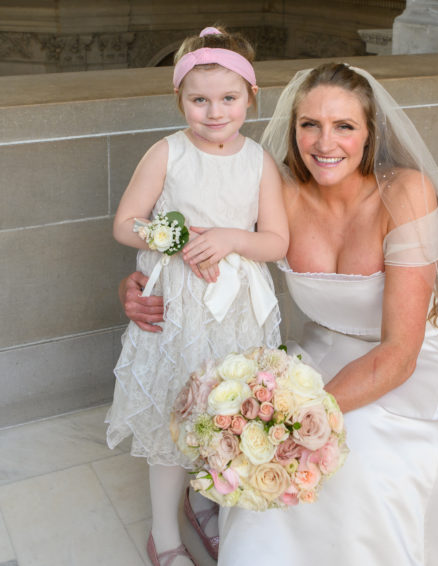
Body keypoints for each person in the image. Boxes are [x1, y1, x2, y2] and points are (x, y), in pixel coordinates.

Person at [123, 62, 438, 565]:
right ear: (293, 130)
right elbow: (196, 238)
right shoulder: (278, 189)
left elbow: (399, 354)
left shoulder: (405, 193)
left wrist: (294, 419)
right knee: (269, 434)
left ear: (370, 134)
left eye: (344, 126)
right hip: (330, 345)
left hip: (421, 352)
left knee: (356, 452)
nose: (323, 142)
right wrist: (142, 281)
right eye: (309, 124)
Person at [106, 26, 288, 566]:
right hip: (180, 308)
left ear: (251, 97)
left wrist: (231, 237)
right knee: (173, 415)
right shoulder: (167, 153)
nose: (214, 112)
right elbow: (124, 224)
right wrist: (169, 234)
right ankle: (163, 533)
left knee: (226, 415)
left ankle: (208, 504)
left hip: (236, 312)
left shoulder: (259, 161)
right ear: (180, 99)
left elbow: (276, 240)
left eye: (228, 98)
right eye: (199, 100)